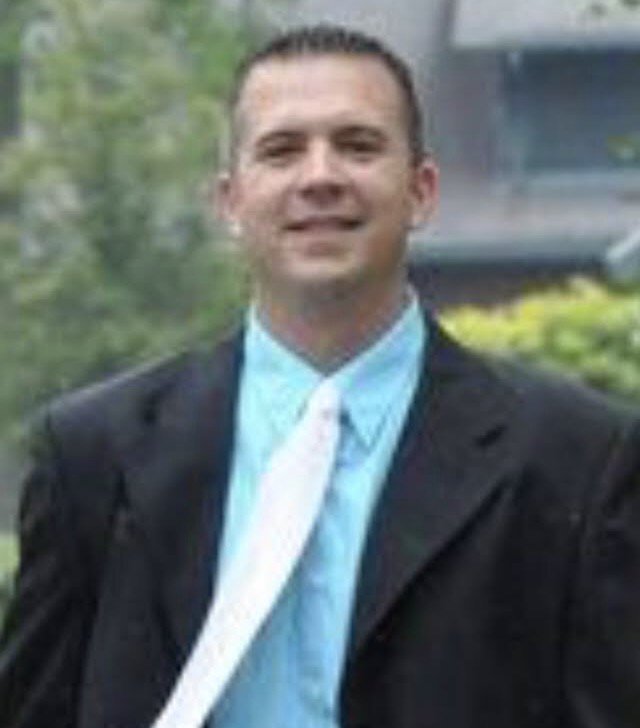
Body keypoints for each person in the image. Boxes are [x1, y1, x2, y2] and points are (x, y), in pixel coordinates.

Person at [1, 23, 640, 728]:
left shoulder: (577, 459)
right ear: (230, 202)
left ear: (422, 190)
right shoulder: (93, 454)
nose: (320, 177)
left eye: (358, 146)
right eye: (281, 150)